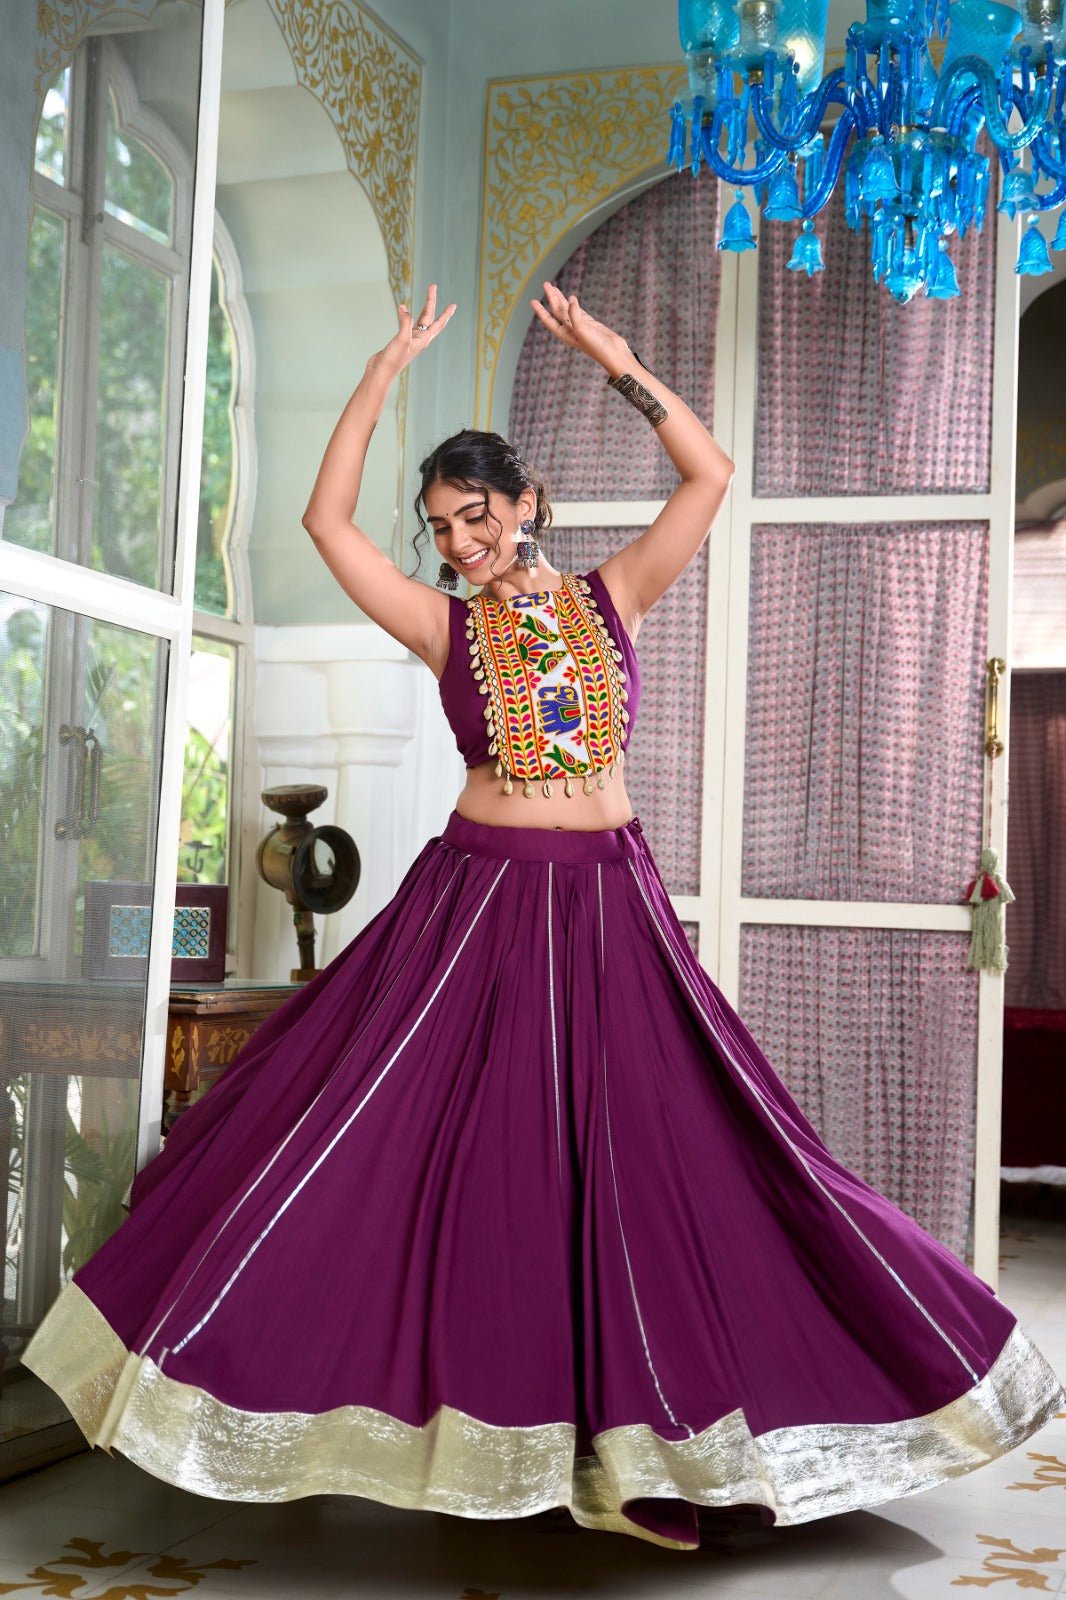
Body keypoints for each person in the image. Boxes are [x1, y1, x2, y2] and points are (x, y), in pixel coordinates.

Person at [25, 284, 1063, 1551]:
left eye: (475, 516)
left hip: (610, 900)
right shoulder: (441, 627)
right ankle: (475, 1429)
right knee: (443, 1153)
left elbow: (708, 472)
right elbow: (321, 519)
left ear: (525, 504)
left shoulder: (613, 596)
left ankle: (648, 1451)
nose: (458, 542)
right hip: (480, 908)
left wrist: (620, 360)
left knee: (655, 1156)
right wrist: (379, 368)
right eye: (442, 527)